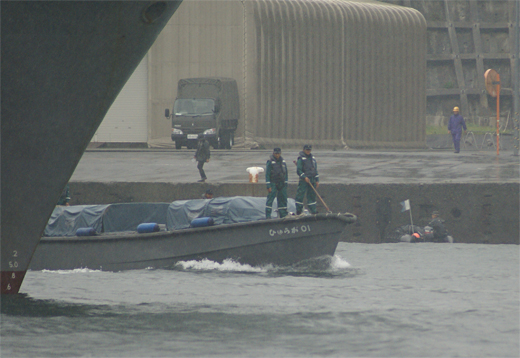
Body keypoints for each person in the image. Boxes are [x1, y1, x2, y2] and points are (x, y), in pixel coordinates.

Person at [295, 144, 319, 215]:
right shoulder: (301, 158)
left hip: (312, 179)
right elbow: (299, 170)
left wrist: (317, 180)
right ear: (304, 150)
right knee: (300, 195)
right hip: (304, 180)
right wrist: (304, 177)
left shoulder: (313, 159)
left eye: (309, 150)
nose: (308, 151)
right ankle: (298, 211)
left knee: (312, 196)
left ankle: (313, 211)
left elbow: (315, 170)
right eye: (307, 150)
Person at [265, 147, 288, 219]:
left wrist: (286, 182)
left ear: (280, 153)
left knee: (282, 198)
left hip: (281, 183)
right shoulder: (270, 161)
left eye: (278, 153)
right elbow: (267, 174)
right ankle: (268, 215)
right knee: (270, 198)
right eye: (276, 153)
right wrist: (268, 185)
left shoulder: (283, 161)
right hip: (273, 182)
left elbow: (286, 172)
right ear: (273, 153)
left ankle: (283, 214)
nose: (277, 155)